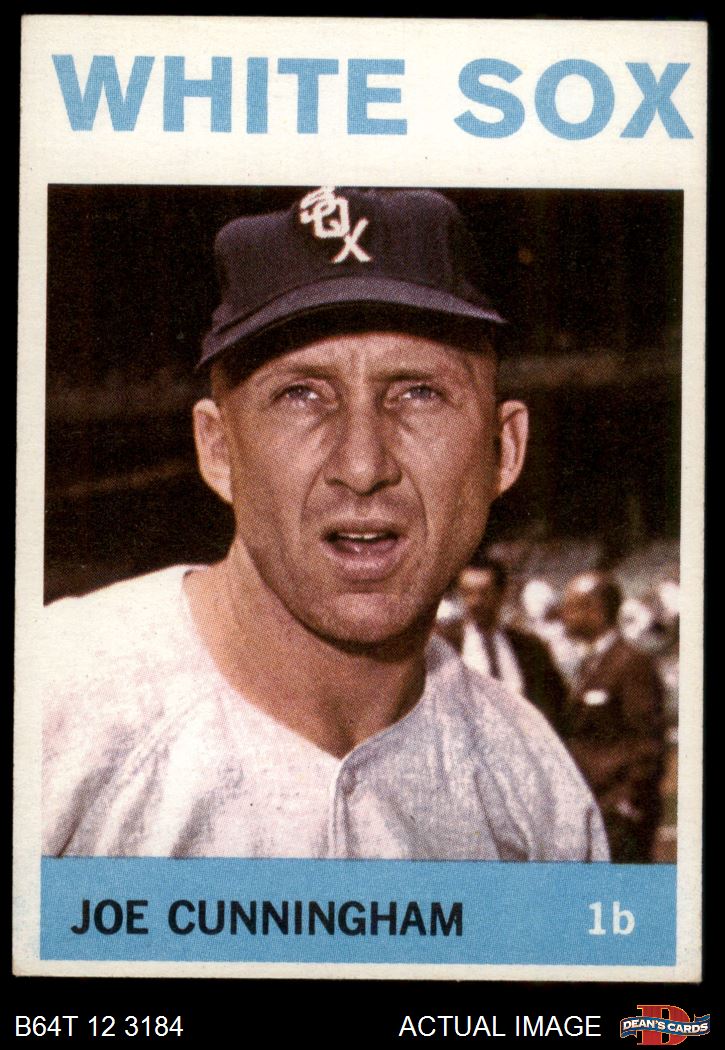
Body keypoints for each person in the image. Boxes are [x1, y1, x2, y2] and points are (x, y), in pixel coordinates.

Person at [42, 186, 608, 861]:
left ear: (503, 449)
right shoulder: (51, 699)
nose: (363, 466)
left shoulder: (535, 787)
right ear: (218, 451)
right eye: (300, 394)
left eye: (418, 392)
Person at [559, 571, 666, 862]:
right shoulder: (589, 663)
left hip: (619, 816)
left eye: (571, 607)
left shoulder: (631, 663)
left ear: (595, 611)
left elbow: (648, 742)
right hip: (595, 808)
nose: (564, 615)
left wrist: (628, 803)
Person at [456, 559, 568, 733]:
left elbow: (554, 702)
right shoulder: (448, 646)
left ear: (501, 594)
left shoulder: (529, 647)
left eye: (484, 593)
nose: (475, 602)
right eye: (467, 593)